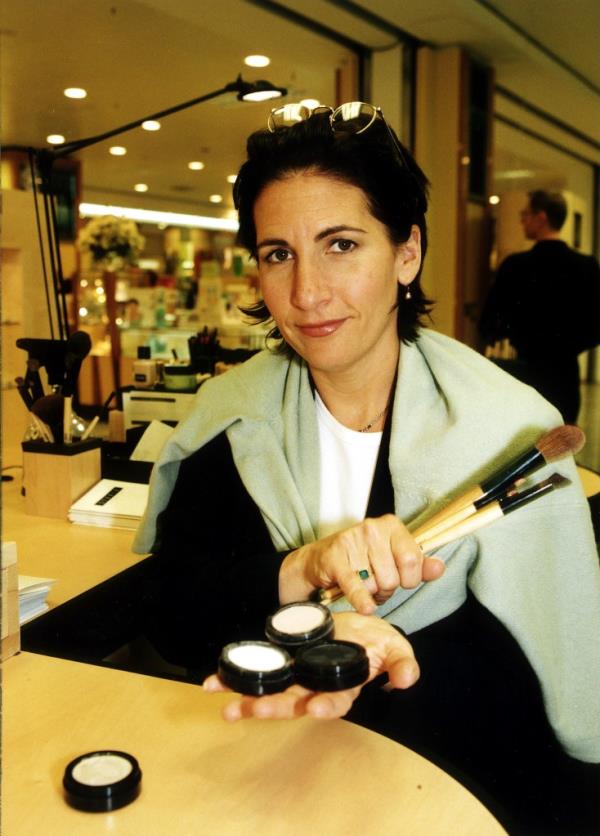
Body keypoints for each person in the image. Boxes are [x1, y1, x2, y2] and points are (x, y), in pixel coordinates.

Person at [134, 105, 600, 834]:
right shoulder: (231, 417)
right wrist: (305, 569)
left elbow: (549, 665)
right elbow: (173, 612)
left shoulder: (508, 432)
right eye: (278, 253)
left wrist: (378, 652)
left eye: (341, 245)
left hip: (443, 790)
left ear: (406, 253)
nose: (307, 292)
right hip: (263, 772)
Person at [479, 190, 600, 423]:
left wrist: (516, 335)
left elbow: (489, 323)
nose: (522, 220)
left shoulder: (515, 266)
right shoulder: (586, 266)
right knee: (560, 440)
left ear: (541, 217)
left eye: (526, 214)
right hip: (565, 375)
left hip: (523, 372)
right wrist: (568, 345)